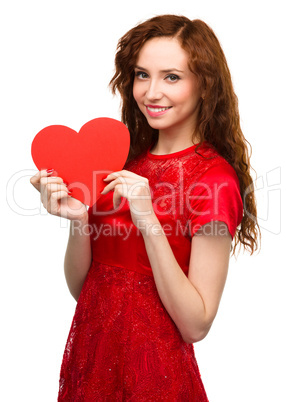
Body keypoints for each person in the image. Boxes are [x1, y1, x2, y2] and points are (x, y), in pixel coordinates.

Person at [30, 14, 260, 401]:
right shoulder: (122, 161)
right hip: (91, 363)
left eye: (172, 77)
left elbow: (196, 325)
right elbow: (84, 289)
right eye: (141, 75)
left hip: (154, 377)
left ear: (205, 84)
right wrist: (79, 219)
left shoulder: (215, 182)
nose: (152, 92)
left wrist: (148, 220)